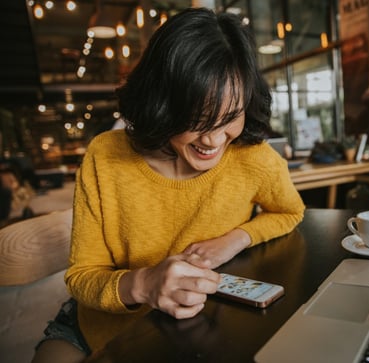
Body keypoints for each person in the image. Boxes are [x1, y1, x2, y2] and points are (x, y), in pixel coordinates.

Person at [32, 7, 305, 363]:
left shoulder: (253, 157)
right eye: (197, 119)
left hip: (193, 334)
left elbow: (290, 211)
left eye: (230, 117)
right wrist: (144, 284)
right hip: (101, 329)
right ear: (161, 104)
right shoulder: (106, 157)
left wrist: (232, 240)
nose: (214, 140)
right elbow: (83, 277)